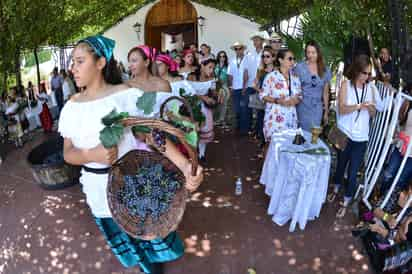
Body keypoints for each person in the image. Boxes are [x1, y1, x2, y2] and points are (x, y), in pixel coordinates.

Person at [59, 37, 203, 274]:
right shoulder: (71, 106)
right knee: (130, 248)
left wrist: (185, 165)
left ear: (100, 62)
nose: (72, 68)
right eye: (72, 62)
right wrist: (90, 154)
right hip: (97, 189)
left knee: (149, 234)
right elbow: (68, 153)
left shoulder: (124, 95)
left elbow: (150, 134)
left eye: (79, 61)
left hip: (133, 182)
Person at [328, 54, 377, 218]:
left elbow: (373, 114)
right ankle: (335, 188)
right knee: (341, 164)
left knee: (354, 170)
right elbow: (341, 109)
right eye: (365, 73)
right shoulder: (345, 85)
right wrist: (359, 106)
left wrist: (370, 109)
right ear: (356, 70)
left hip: (361, 137)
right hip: (345, 133)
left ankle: (346, 200)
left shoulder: (370, 88)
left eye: (369, 74)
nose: (367, 77)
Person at [259, 49, 302, 143]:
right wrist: (277, 100)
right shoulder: (271, 77)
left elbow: (300, 96)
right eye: (289, 59)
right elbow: (262, 95)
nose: (292, 62)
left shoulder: (295, 77)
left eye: (293, 59)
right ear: (280, 60)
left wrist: (295, 100)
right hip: (274, 119)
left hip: (291, 118)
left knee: (288, 147)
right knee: (272, 146)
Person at [294, 40, 332, 131]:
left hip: (317, 107)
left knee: (314, 134)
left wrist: (326, 112)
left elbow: (326, 93)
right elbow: (295, 89)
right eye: (308, 52)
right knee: (301, 134)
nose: (310, 55)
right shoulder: (299, 67)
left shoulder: (325, 70)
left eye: (313, 52)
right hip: (302, 106)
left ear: (318, 53)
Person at [188, 58, 217, 162]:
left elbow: (213, 93)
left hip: (205, 108)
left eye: (213, 68)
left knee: (205, 131)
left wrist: (216, 97)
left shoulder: (212, 78)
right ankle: (193, 153)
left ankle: (202, 154)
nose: (212, 70)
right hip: (193, 107)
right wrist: (203, 97)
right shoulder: (191, 76)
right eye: (210, 67)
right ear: (202, 66)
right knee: (194, 131)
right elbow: (188, 93)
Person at [253, 48, 276, 147]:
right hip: (264, 101)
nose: (265, 59)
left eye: (268, 56)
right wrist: (261, 92)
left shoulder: (278, 71)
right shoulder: (261, 70)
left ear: (273, 57)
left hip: (275, 101)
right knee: (262, 121)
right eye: (263, 56)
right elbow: (255, 85)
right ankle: (263, 143)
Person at [247, 32, 267, 138]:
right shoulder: (250, 54)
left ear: (262, 41)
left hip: (262, 83)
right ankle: (256, 129)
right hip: (252, 84)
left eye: (257, 40)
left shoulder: (265, 53)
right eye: (254, 40)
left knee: (261, 109)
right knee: (254, 107)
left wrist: (259, 81)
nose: (255, 42)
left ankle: (260, 131)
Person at [228, 42, 249, 135]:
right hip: (235, 88)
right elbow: (230, 75)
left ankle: (244, 130)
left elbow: (247, 74)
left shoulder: (247, 59)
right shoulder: (232, 60)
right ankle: (238, 127)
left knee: (244, 108)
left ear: (243, 49)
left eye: (240, 48)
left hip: (245, 87)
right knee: (237, 109)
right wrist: (231, 86)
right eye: (236, 49)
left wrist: (244, 87)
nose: (238, 50)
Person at [214, 50, 230, 127]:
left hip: (224, 86)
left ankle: (222, 119)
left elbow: (229, 77)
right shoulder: (215, 66)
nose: (222, 58)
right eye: (220, 56)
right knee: (216, 103)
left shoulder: (228, 66)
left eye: (223, 56)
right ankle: (216, 119)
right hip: (216, 86)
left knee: (224, 104)